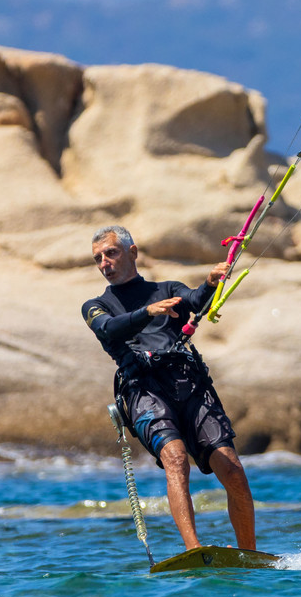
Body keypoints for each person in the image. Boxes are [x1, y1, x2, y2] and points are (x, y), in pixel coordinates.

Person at [82, 225, 256, 552]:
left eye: (111, 253)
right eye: (98, 258)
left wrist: (210, 283)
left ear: (132, 253)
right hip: (141, 391)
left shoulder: (167, 289)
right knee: (176, 459)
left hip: (188, 384)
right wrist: (147, 312)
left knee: (232, 468)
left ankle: (250, 554)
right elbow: (109, 328)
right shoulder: (95, 306)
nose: (105, 262)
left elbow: (194, 300)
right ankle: (194, 551)